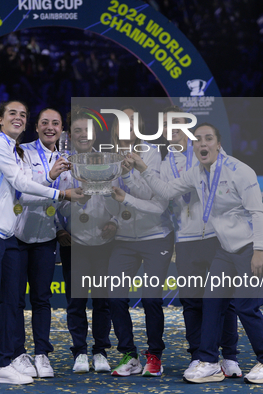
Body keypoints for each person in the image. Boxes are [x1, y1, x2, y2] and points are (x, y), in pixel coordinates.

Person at [128, 123, 263, 384]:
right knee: (211, 300)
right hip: (226, 250)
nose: (202, 144)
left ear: (218, 144)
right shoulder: (196, 173)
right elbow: (166, 191)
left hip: (253, 246)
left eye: (208, 139)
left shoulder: (239, 171)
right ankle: (209, 362)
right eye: (198, 139)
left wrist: (259, 250)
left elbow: (258, 213)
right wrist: (143, 168)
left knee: (246, 306)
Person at [0, 100, 82, 387]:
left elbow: (25, 196)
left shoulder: (14, 152)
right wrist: (62, 194)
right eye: (12, 113)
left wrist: (60, 190)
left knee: (7, 302)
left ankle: (2, 362)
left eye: (22, 115)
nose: (18, 118)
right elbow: (21, 183)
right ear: (0, 120)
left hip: (5, 234)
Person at [158, 108, 241, 378]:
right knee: (192, 301)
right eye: (170, 128)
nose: (175, 132)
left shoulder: (210, 155)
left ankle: (229, 356)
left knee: (223, 300)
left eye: (180, 126)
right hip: (185, 240)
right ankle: (199, 357)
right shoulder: (164, 163)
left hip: (216, 237)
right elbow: (164, 197)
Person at [108, 106, 175, 377]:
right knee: (114, 296)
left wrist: (126, 177)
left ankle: (154, 355)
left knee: (150, 298)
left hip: (156, 235)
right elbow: (109, 197)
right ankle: (129, 355)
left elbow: (152, 198)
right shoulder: (108, 154)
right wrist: (112, 218)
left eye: (134, 120)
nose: (128, 124)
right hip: (123, 239)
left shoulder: (150, 152)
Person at [57, 107, 116, 374]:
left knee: (102, 301)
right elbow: (51, 202)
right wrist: (59, 230)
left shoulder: (107, 162)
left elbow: (119, 199)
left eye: (87, 130)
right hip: (74, 244)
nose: (83, 135)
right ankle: (80, 352)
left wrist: (115, 222)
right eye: (77, 130)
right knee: (76, 301)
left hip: (103, 245)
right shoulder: (62, 166)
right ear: (70, 135)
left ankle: (101, 351)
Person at [11, 107, 68, 379]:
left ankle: (42, 354)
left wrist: (60, 229)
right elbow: (23, 193)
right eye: (45, 122)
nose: (50, 127)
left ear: (61, 128)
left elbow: (62, 202)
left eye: (55, 123)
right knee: (15, 300)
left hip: (46, 238)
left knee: (42, 300)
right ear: (36, 126)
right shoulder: (23, 152)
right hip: (19, 236)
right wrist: (51, 177)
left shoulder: (65, 156)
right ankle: (18, 354)